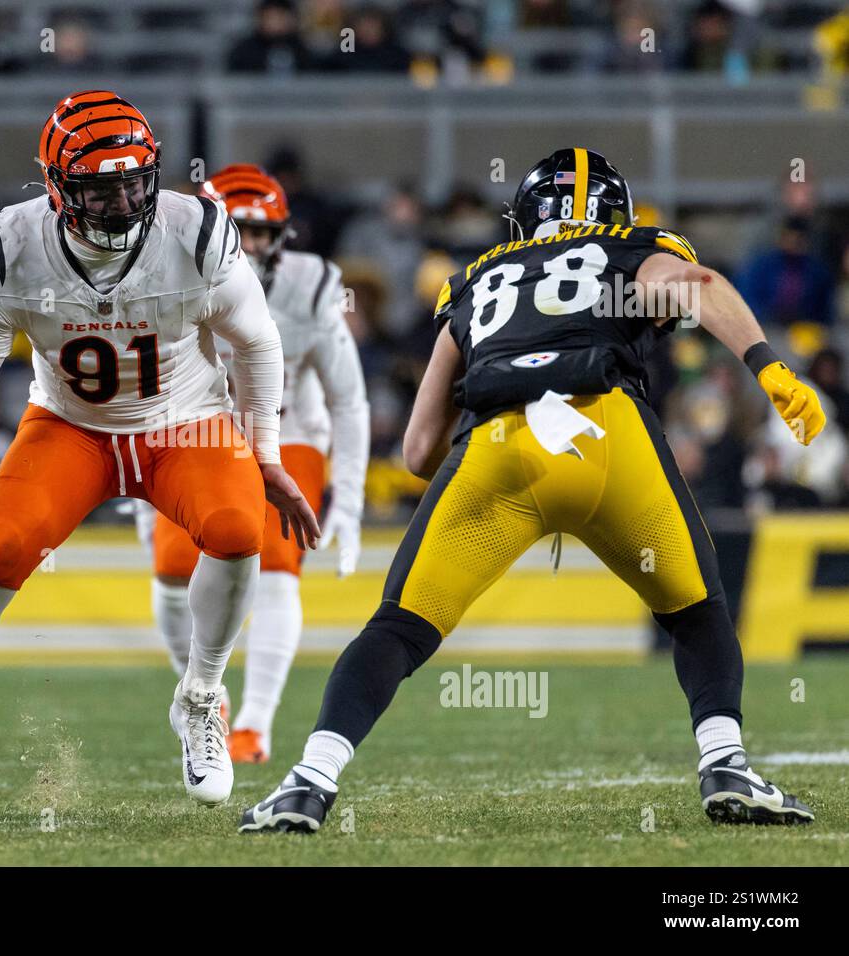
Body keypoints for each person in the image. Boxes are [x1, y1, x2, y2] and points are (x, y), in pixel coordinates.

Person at [242, 147, 825, 833]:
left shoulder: (476, 277)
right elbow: (697, 283)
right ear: (614, 213)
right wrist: (768, 366)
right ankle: (725, 764)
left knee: (398, 627)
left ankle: (308, 782)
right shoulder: (632, 246)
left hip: (496, 446)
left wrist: (482, 479)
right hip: (605, 432)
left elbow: (419, 449)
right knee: (697, 610)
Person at [0, 91, 320, 817]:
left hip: (185, 422)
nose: (123, 204)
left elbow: (257, 342)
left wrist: (267, 454)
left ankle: (200, 696)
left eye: (134, 185)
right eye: (101, 190)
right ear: (58, 188)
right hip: (71, 427)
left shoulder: (196, 232)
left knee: (238, 528)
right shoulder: (12, 248)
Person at [144, 165, 369, 763]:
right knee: (171, 567)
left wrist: (349, 500)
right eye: (236, 230)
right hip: (197, 427)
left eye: (261, 231)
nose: (249, 245)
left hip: (288, 429)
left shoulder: (310, 286)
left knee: (275, 563)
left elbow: (348, 400)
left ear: (282, 236)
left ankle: (254, 726)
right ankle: (205, 696)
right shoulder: (161, 273)